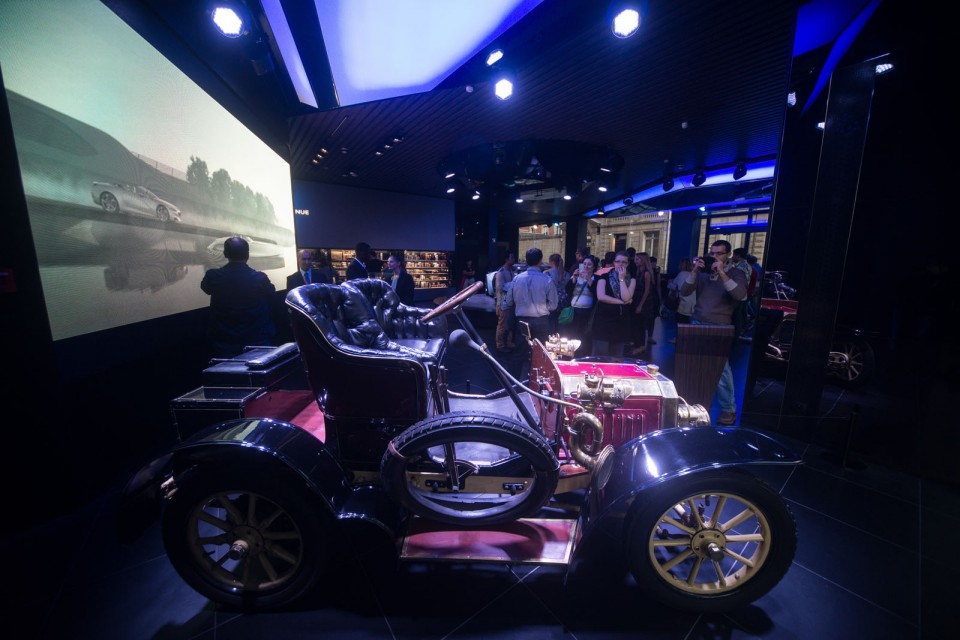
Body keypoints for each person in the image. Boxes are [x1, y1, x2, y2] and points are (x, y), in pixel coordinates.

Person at [679, 240, 748, 426]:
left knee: (721, 370)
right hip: (697, 322)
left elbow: (740, 295)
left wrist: (723, 273)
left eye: (719, 253)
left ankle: (728, 409)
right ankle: (697, 405)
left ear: (728, 255)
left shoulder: (736, 273)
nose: (715, 257)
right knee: (694, 365)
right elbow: (684, 291)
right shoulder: (703, 273)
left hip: (720, 326)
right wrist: (694, 271)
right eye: (712, 253)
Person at [201, 236, 277, 358]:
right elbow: (271, 294)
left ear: (225, 254)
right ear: (247, 255)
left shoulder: (213, 277)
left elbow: (206, 288)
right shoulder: (259, 278)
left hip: (224, 342)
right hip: (257, 340)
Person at [502, 247, 557, 348]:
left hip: (522, 321)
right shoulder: (547, 280)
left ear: (526, 261)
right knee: (540, 353)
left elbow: (508, 301)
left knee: (519, 353)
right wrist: (543, 308)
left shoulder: (517, 279)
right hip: (541, 321)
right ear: (540, 260)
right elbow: (553, 305)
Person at [591, 251, 636, 358]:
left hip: (620, 322)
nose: (620, 264)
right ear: (614, 262)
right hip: (603, 321)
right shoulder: (604, 276)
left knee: (616, 356)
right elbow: (601, 296)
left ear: (628, 264)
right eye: (618, 261)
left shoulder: (631, 279)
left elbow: (626, 297)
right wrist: (621, 302)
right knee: (600, 355)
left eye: (624, 262)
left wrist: (621, 279)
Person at [563, 254, 598, 356]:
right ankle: (571, 354)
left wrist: (588, 279)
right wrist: (573, 278)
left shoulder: (595, 278)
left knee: (584, 335)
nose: (586, 266)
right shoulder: (577, 276)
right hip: (574, 311)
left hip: (587, 312)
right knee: (572, 334)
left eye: (589, 265)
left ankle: (584, 355)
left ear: (594, 267)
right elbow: (568, 290)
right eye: (585, 264)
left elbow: (596, 291)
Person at [629, 252, 658, 356]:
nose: (636, 261)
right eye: (635, 259)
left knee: (640, 325)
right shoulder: (638, 271)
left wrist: (641, 305)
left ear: (643, 261)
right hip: (637, 299)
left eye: (638, 259)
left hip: (644, 302)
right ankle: (640, 345)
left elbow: (647, 291)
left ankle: (640, 346)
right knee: (638, 325)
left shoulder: (646, 273)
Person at [494, 251, 516, 353]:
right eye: (511, 258)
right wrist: (498, 304)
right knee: (502, 324)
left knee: (510, 323)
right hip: (503, 301)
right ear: (506, 259)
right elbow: (499, 289)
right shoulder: (501, 272)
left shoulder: (511, 271)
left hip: (510, 301)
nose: (513, 259)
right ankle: (500, 345)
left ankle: (509, 342)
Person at [668, 258, 697, 337]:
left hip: (683, 302)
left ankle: (679, 338)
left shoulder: (682, 274)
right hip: (693, 302)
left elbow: (678, 287)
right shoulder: (693, 274)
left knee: (681, 322)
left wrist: (670, 282)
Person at [545, 253, 569, 334]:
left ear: (551, 261)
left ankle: (550, 343)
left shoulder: (546, 273)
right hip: (562, 303)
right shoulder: (566, 274)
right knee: (562, 326)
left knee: (550, 326)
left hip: (550, 302)